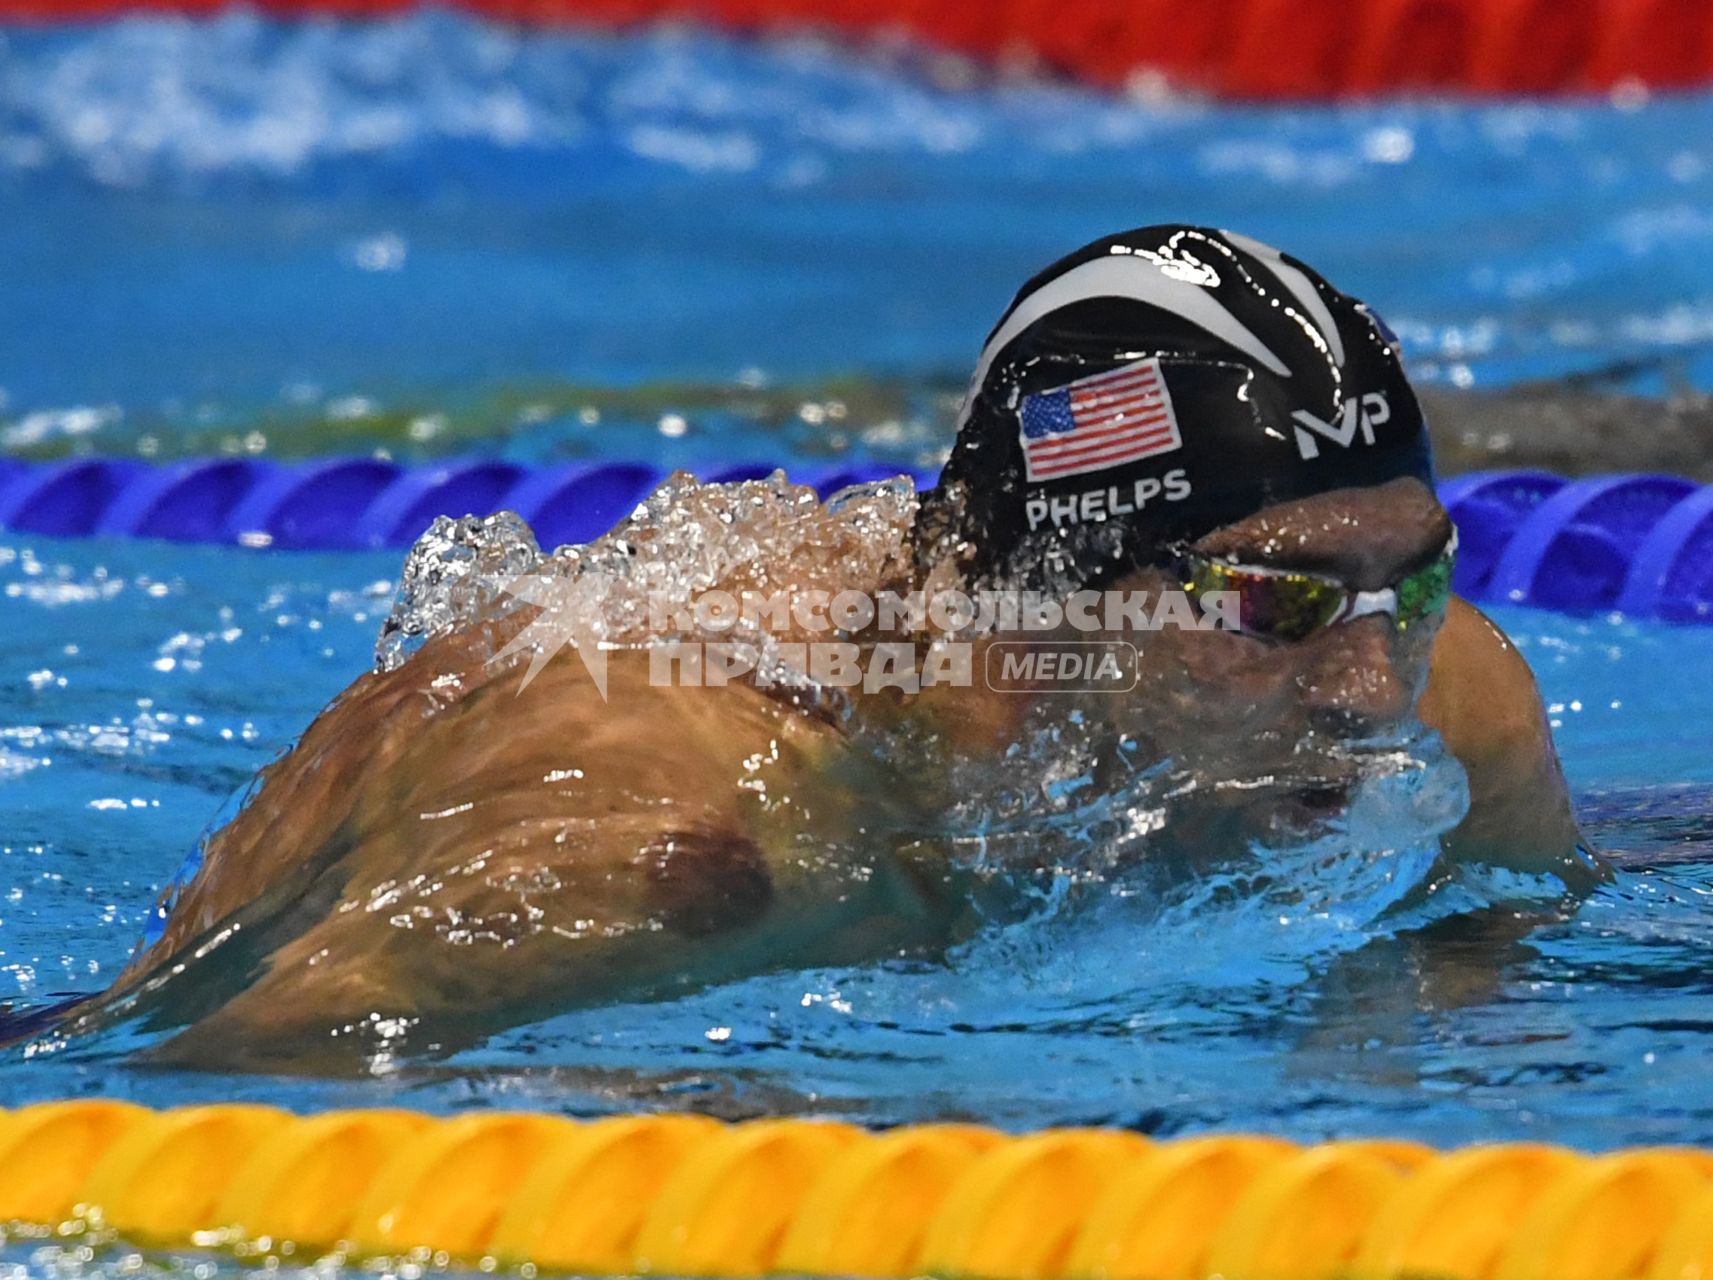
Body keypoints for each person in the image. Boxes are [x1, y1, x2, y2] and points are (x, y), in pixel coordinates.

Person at [34, 225, 1598, 1071]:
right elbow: (199, 1106)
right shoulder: (681, 840)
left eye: (1413, 577)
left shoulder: (1444, 696)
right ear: (1042, 598)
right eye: (1274, 602)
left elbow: (1495, 976)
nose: (1364, 683)